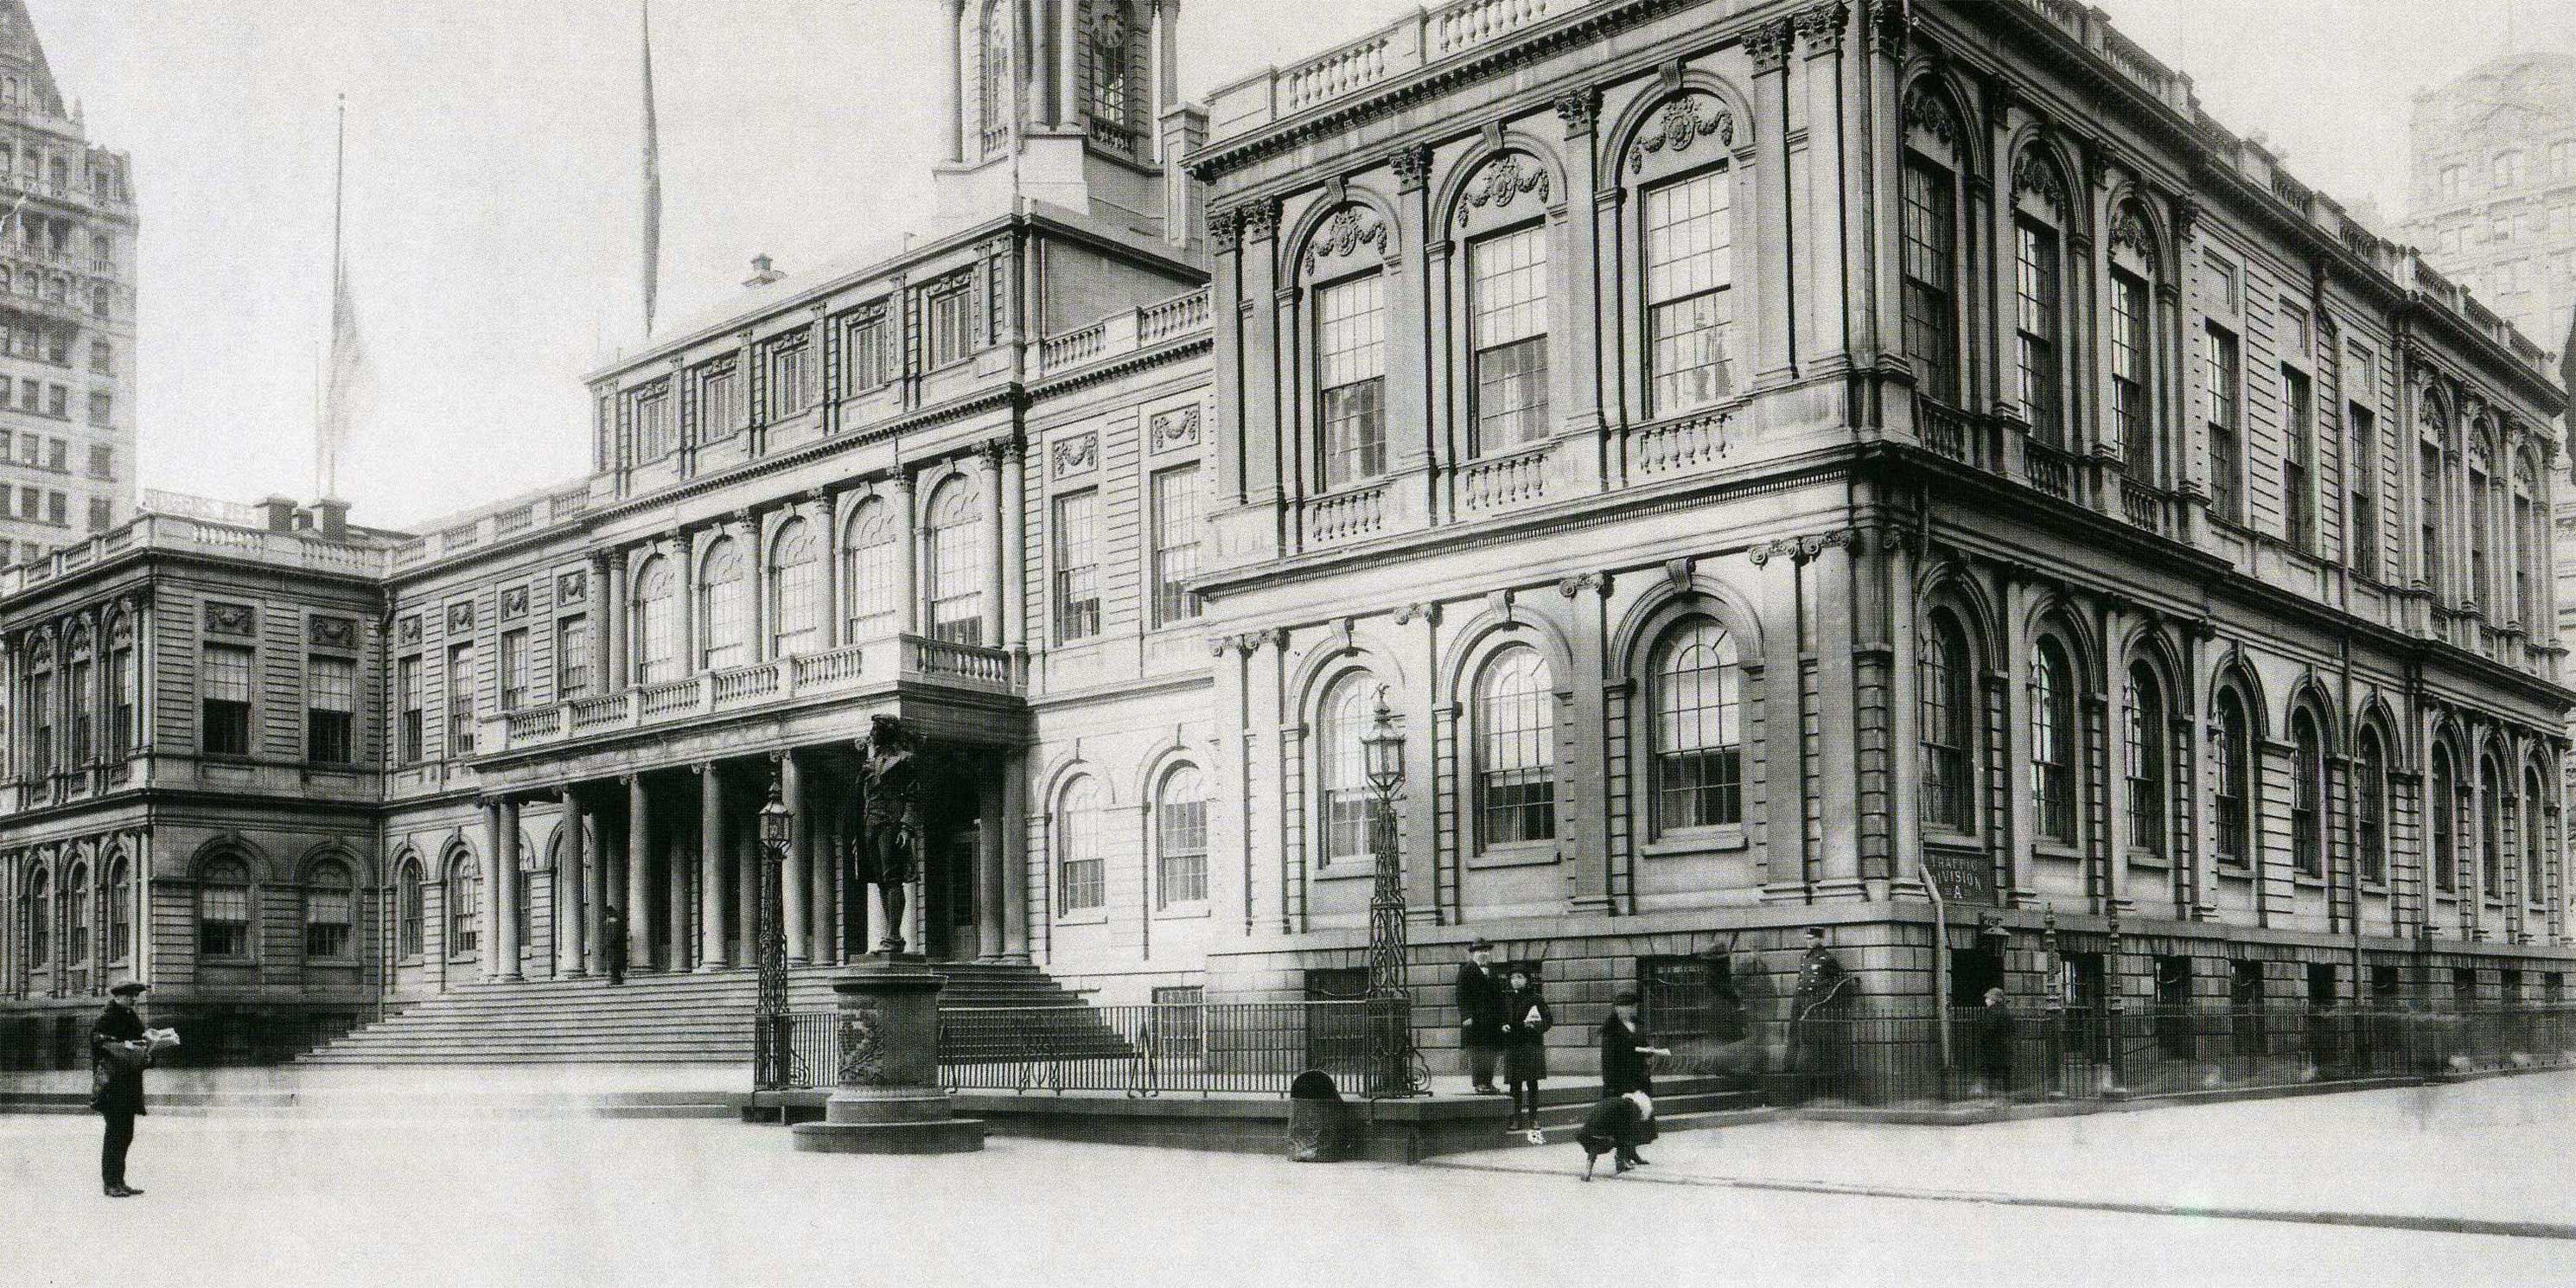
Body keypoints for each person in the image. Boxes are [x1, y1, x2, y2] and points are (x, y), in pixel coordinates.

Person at [91, 981, 153, 1198]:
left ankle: (120, 1181)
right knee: (114, 1135)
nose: (135, 1000)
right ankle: (110, 1183)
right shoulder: (107, 1019)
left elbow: (141, 1048)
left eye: (136, 997)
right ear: (118, 997)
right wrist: (133, 1049)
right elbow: (103, 1047)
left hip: (129, 1085)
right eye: (130, 996)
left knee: (126, 1134)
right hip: (113, 1085)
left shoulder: (131, 1017)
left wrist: (150, 1051)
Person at [1788, 926, 1854, 1103]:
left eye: (1811, 938)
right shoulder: (1805, 957)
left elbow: (1840, 980)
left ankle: (1810, 1083)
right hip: (1800, 1000)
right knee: (1795, 1035)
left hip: (1813, 1003)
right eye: (1807, 938)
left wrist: (1822, 995)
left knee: (1811, 1040)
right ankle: (1792, 1074)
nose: (1808, 941)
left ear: (1820, 939)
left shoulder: (1827, 958)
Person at [1496, 965, 1553, 1136]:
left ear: (1526, 980)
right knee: (1515, 1084)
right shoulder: (1506, 999)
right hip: (1513, 1045)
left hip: (1530, 1044)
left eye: (1519, 977)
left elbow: (1548, 1020)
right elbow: (1501, 1019)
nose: (1515, 981)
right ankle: (1516, 1118)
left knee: (1531, 1083)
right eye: (1513, 978)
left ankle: (1533, 1118)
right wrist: (1503, 1026)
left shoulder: (1536, 998)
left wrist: (1536, 1027)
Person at [1453, 939, 1508, 1094]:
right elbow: (1461, 996)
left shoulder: (1493, 971)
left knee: (1491, 1052)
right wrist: (1466, 1016)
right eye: (1479, 951)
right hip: (1475, 1021)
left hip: (1492, 1021)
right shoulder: (1466, 971)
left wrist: (1502, 1019)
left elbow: (1499, 997)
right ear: (1473, 953)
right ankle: (1479, 1083)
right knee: (1477, 1052)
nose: (1483, 954)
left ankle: (1488, 1081)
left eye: (1486, 951)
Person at [1599, 989, 1669, 1100]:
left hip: (1640, 1078)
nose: (1625, 1010)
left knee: (1644, 1113)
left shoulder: (1638, 1025)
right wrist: (1610, 1086)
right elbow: (1607, 1060)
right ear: (1616, 1009)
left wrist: (1649, 1051)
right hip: (1621, 1080)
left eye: (1629, 1007)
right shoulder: (1611, 1029)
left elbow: (1642, 1045)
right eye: (1621, 1007)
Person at [1576, 1090, 1657, 1180]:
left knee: (1597, 1140)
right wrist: (1637, 1159)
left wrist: (1637, 1159)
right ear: (1642, 1108)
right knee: (1623, 1136)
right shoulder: (1633, 1108)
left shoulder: (1617, 1102)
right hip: (1602, 1136)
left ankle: (1588, 1169)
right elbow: (1627, 1137)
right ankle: (1620, 1163)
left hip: (1584, 1134)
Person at [1970, 985, 2015, 1099]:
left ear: (1993, 1000)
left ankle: (1992, 1098)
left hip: (1993, 1048)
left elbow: (1989, 1030)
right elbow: (2013, 1029)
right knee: (2005, 1074)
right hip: (2006, 1047)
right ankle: (2006, 1098)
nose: (1986, 1001)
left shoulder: (1992, 1012)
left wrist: (1982, 1040)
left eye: (1988, 998)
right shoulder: (2007, 1011)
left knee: (1991, 1073)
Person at [601, 904, 628, 985]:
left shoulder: (614, 922)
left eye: (608, 913)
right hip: (611, 946)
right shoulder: (610, 922)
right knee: (613, 964)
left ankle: (615, 981)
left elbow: (614, 935)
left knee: (614, 964)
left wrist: (608, 944)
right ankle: (615, 980)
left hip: (614, 947)